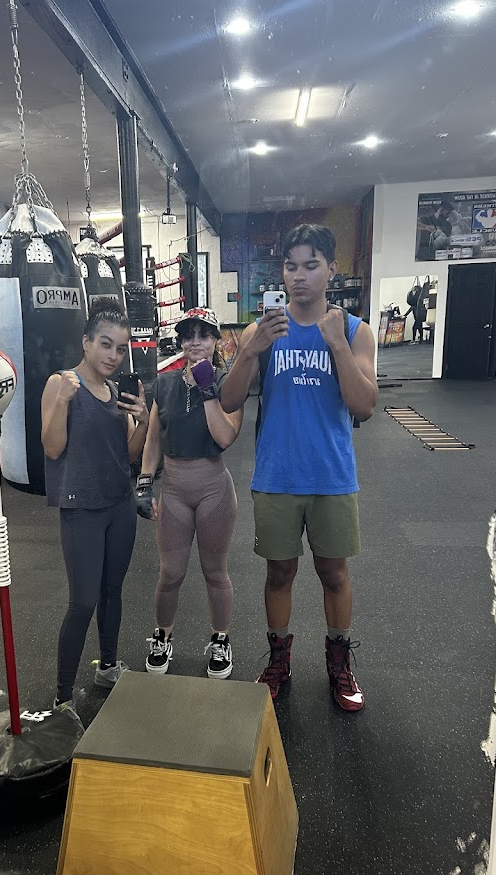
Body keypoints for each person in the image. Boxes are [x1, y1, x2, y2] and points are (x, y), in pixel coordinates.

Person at [221, 225, 378, 712]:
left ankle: (339, 663)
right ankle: (278, 661)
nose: (300, 276)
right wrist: (249, 350)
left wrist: (336, 346)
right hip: (277, 475)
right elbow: (228, 401)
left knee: (334, 573)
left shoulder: (355, 331)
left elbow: (365, 405)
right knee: (279, 573)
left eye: (311, 265)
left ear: (332, 268)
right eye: (291, 266)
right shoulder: (262, 332)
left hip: (332, 475)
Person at [41, 298, 149, 713]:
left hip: (119, 506)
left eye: (120, 348)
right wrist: (63, 402)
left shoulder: (115, 393)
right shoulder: (61, 383)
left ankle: (107, 666)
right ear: (86, 342)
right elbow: (52, 449)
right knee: (83, 601)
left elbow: (130, 454)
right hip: (81, 508)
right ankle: (63, 695)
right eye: (105, 344)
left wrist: (142, 420)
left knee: (111, 591)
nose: (113, 355)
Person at [136, 307, 243, 678]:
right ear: (181, 341)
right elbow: (153, 438)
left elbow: (225, 437)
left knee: (215, 572)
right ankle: (162, 636)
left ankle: (221, 639)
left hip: (214, 488)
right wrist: (144, 481)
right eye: (188, 335)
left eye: (204, 334)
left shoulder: (227, 383)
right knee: (170, 574)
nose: (195, 341)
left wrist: (207, 387)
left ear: (215, 341)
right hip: (175, 488)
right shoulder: (165, 384)